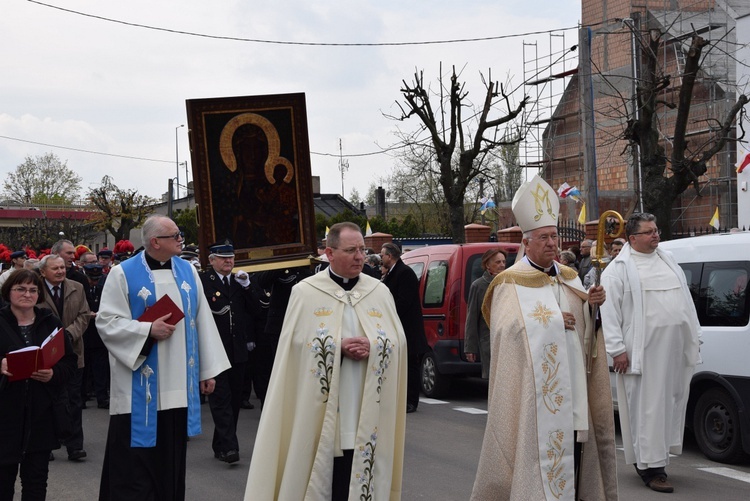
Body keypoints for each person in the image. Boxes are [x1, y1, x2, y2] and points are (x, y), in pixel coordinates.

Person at [471, 175, 617, 501]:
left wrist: (591, 310)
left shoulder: (569, 276)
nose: (552, 243)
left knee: (576, 464)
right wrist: (552, 321)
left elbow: (586, 333)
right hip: (534, 401)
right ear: (526, 243)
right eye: (544, 238)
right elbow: (506, 332)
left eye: (555, 236)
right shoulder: (509, 283)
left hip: (574, 392)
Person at [244, 222, 407, 501]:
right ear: (329, 253)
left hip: (364, 408)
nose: (360, 257)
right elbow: (293, 346)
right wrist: (336, 346)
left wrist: (376, 345)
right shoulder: (306, 292)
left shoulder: (379, 292)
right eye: (351, 250)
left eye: (363, 250)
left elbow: (399, 341)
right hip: (319, 413)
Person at [95, 215, 231, 501]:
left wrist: (207, 371)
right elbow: (106, 322)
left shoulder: (188, 272)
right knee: (134, 468)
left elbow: (202, 319)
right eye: (176, 235)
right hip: (138, 388)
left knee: (170, 464)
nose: (181, 239)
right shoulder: (123, 273)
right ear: (155, 242)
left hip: (178, 387)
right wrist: (147, 330)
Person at [600, 213, 701, 493]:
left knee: (668, 406)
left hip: (673, 352)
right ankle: (650, 468)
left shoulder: (668, 260)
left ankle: (658, 459)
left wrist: (695, 334)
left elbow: (684, 300)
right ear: (633, 238)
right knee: (647, 410)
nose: (655, 235)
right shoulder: (618, 270)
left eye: (656, 230)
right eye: (649, 232)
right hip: (641, 355)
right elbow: (609, 312)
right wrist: (617, 349)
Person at [0, 269, 77, 501]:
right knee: (2, 483)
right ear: (8, 292)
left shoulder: (50, 322)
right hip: (5, 416)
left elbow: (70, 363)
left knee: (35, 483)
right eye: (20, 289)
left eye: (33, 290)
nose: (27, 294)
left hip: (41, 415)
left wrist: (53, 373)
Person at [199, 241, 254, 464]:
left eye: (231, 258)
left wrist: (249, 286)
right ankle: (230, 447)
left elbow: (257, 310)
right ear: (212, 260)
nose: (228, 262)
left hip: (237, 349)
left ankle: (220, 443)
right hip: (215, 349)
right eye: (223, 258)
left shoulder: (239, 282)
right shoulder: (204, 281)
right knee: (220, 399)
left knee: (234, 401)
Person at [38, 254, 91, 462]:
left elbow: (84, 315)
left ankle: (75, 445)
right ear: (43, 272)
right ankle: (46, 443)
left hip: (73, 352)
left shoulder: (77, 287)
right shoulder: (35, 289)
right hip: (44, 355)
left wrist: (68, 335)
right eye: (55, 268)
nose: (60, 271)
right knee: (45, 400)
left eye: (62, 267)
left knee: (73, 400)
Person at [380, 242, 429, 413]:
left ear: (390, 256)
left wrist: (386, 313)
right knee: (402, 365)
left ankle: (411, 401)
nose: (381, 258)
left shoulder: (405, 273)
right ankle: (402, 398)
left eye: (382, 255)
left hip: (408, 328)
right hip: (398, 327)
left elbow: (404, 301)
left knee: (411, 366)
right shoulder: (392, 273)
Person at [464, 248, 507, 379]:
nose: (502, 265)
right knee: (493, 378)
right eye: (498, 262)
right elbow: (472, 317)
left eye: (504, 262)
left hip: (508, 338)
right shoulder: (479, 286)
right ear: (488, 264)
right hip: (489, 339)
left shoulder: (509, 282)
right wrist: (470, 347)